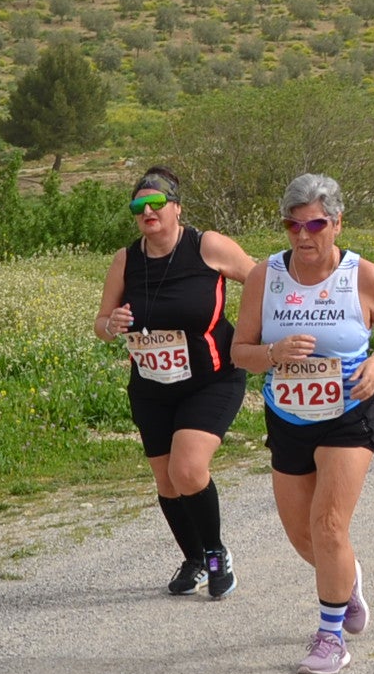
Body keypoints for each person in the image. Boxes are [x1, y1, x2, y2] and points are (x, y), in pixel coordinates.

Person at [232, 173, 374, 674]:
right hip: (288, 416)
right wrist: (272, 353)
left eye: (314, 224)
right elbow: (239, 352)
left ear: (336, 223)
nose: (303, 235)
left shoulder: (364, 276)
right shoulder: (265, 278)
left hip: (349, 413)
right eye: (292, 225)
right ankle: (346, 582)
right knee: (302, 535)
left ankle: (330, 636)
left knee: (329, 524)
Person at [93, 168, 262, 598]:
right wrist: (111, 324)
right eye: (138, 206)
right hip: (151, 386)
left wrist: (253, 334)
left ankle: (216, 554)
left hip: (213, 378)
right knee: (167, 482)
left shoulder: (207, 246)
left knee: (187, 469)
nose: (147, 212)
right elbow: (101, 322)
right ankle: (193, 558)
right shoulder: (125, 259)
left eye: (156, 204)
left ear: (176, 208)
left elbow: (260, 279)